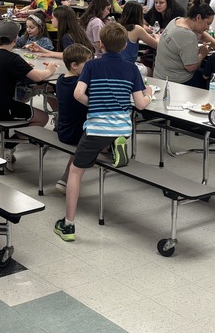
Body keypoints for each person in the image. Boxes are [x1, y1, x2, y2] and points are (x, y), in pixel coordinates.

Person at [54, 23, 150, 242]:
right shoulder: (131, 68)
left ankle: (68, 224)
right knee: (112, 136)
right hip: (123, 128)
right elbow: (141, 105)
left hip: (97, 127)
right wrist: (149, 93)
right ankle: (115, 145)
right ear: (125, 44)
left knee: (76, 172)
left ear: (101, 45)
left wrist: (96, 104)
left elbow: (78, 94)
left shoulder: (91, 66)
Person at [0, 20, 58, 128]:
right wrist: (49, 70)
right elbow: (38, 77)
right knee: (42, 118)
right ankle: (7, 145)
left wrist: (22, 66)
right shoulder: (13, 59)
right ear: (15, 39)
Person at [52, 43, 93, 192]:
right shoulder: (80, 85)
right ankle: (66, 178)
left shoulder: (61, 79)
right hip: (75, 135)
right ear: (74, 65)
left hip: (62, 129)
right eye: (87, 64)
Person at [153, 2, 215, 87]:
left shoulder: (177, 20)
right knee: (207, 77)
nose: (208, 28)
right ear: (198, 17)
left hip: (160, 74)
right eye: (207, 23)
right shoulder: (187, 35)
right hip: (174, 81)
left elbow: (201, 33)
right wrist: (202, 54)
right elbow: (191, 67)